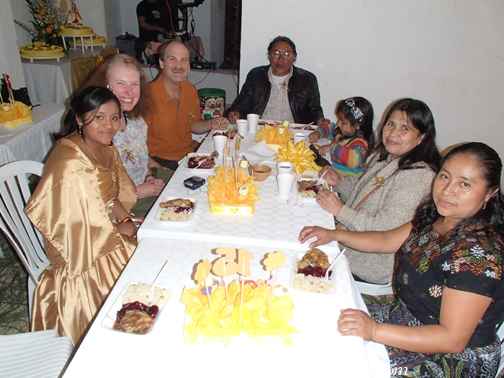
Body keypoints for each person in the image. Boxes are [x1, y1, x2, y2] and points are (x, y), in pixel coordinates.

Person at [299, 142, 504, 378]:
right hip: (403, 317)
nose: (448, 190)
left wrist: (374, 331)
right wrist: (333, 234)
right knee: (318, 304)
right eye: (445, 177)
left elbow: (452, 339)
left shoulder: (479, 256)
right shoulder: (437, 217)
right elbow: (386, 240)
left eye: (464, 184)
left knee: (331, 365)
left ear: (490, 192)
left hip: (448, 360)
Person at [25, 87, 138, 345]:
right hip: (80, 250)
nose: (108, 125)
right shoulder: (70, 162)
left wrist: (127, 221)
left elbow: (111, 198)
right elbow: (73, 230)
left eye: (114, 117)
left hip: (101, 229)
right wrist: (122, 232)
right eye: (98, 117)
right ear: (79, 118)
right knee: (141, 261)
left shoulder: (105, 147)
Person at [315, 98, 441, 284]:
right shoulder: (386, 159)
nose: (393, 132)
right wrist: (340, 182)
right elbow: (363, 197)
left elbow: (384, 232)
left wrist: (340, 211)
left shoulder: (418, 176)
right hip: (347, 242)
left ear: (422, 137)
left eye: (405, 128)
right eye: (391, 124)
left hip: (366, 264)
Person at [86, 54, 171, 217]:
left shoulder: (136, 122)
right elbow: (92, 194)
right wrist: (139, 192)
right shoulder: (98, 131)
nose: (129, 91)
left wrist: (149, 177)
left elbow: (141, 160)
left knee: (191, 185)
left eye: (135, 84)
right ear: (105, 85)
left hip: (144, 189)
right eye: (121, 83)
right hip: (121, 206)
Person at [144, 41, 228, 170]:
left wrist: (211, 124)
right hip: (162, 161)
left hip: (190, 154)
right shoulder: (147, 96)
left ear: (188, 66)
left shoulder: (189, 89)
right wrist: (155, 167)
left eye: (183, 60)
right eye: (172, 59)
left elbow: (193, 124)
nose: (178, 65)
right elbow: (134, 144)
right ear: (161, 63)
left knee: (227, 163)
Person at [227, 36, 328, 126]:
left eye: (286, 54)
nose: (280, 59)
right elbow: (243, 101)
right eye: (276, 53)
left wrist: (319, 119)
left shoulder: (307, 79)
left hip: (292, 132)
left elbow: (313, 109)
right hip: (261, 129)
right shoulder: (256, 75)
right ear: (269, 56)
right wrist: (237, 113)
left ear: (294, 58)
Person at [308, 97, 375, 178]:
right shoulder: (342, 132)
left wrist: (332, 148)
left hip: (346, 185)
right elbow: (330, 128)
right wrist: (318, 132)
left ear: (357, 126)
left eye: (343, 122)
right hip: (334, 177)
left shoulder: (360, 143)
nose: (338, 124)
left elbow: (353, 160)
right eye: (338, 120)